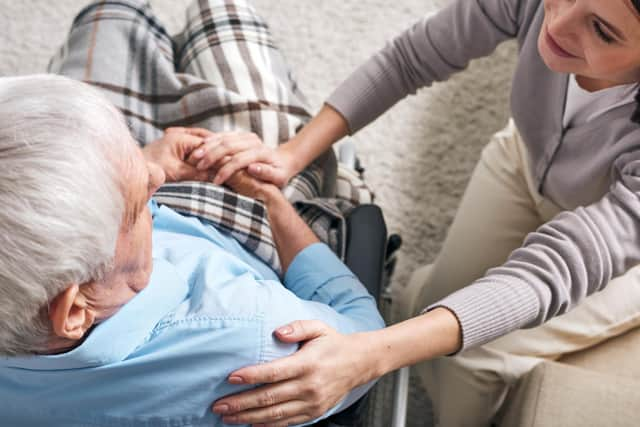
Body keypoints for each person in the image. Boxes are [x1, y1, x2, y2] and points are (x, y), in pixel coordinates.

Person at [206, 0, 640, 426]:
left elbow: (554, 271)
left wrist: (370, 355)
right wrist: (290, 155)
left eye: (602, 30)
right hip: (523, 161)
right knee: (427, 308)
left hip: (622, 244)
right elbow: (412, 58)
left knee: (470, 361)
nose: (560, 22)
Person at [0, 74, 384, 426]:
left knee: (111, 11)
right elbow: (363, 330)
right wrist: (273, 203)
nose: (159, 177)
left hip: (109, 227)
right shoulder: (256, 337)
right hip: (255, 231)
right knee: (225, 17)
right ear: (76, 311)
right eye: (135, 211)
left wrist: (131, 166)